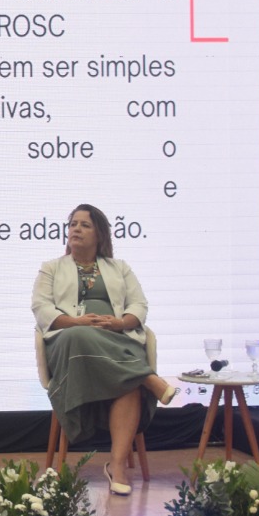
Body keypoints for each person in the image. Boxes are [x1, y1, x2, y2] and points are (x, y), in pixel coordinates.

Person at [31, 204, 177, 496]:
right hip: (69, 344)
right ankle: (147, 378)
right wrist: (76, 322)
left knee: (128, 385)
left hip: (117, 339)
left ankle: (117, 466)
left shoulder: (119, 268)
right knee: (80, 336)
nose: (76, 229)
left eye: (84, 225)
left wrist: (120, 323)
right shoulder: (51, 268)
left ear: (99, 234)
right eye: (73, 224)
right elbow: (41, 307)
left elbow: (139, 305)